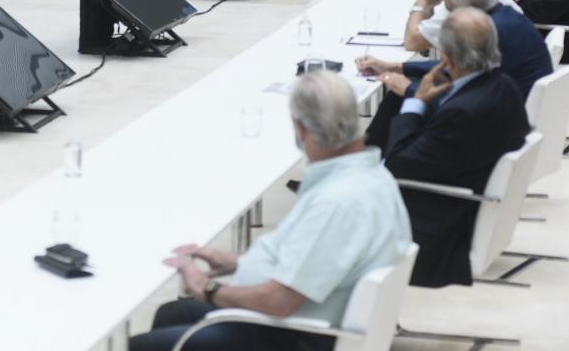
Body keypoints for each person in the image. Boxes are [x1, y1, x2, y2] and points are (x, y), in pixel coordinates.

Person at [130, 72, 411, 351]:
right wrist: (238, 263)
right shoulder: (374, 177)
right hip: (311, 318)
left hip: (291, 335)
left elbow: (278, 302)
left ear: (302, 130)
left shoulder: (335, 203)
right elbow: (315, 259)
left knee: (137, 345)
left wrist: (207, 287)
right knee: (173, 313)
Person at [373, 7, 530, 287]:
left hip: (435, 232)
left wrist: (416, 103)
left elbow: (398, 165)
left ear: (445, 56)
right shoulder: (503, 86)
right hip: (464, 196)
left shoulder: (463, 113)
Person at [360, 0, 552, 108]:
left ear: (466, 7)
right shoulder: (506, 15)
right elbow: (457, 65)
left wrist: (409, 89)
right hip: (516, 100)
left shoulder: (488, 30)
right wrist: (395, 67)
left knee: (400, 98)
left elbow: (463, 103)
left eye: (450, 10)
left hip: (500, 113)